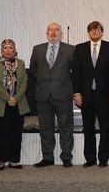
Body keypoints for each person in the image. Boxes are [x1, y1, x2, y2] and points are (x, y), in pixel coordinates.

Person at [72, 21, 109, 167]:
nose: (94, 32)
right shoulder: (79, 48)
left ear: (102, 32)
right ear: (88, 32)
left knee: (105, 128)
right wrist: (76, 93)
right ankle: (90, 158)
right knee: (88, 127)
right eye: (91, 30)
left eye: (97, 30)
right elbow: (76, 73)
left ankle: (103, 158)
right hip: (85, 95)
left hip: (105, 95)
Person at [30, 22, 75, 167]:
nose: (53, 32)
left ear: (61, 33)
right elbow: (33, 70)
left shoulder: (71, 49)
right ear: (46, 33)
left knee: (65, 127)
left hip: (63, 94)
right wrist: (44, 80)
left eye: (56, 30)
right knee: (45, 127)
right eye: (50, 30)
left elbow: (76, 71)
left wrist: (63, 81)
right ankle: (47, 157)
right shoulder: (37, 49)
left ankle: (66, 157)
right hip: (43, 94)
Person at [0, 39, 30, 171]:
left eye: (11, 47)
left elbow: (24, 82)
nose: (8, 50)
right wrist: (8, 98)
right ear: (1, 50)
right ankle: (1, 161)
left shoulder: (21, 63)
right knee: (0, 134)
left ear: (15, 50)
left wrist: (16, 98)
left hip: (18, 104)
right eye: (5, 47)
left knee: (16, 134)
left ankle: (14, 161)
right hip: (0, 104)